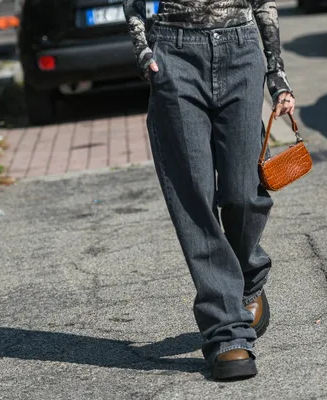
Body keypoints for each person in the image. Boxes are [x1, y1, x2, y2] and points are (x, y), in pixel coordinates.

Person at [123, 0, 296, 381]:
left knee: (243, 193)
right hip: (175, 52)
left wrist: (276, 71)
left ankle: (247, 279)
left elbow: (262, 3)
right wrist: (144, 51)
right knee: (194, 198)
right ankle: (226, 331)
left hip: (240, 47)